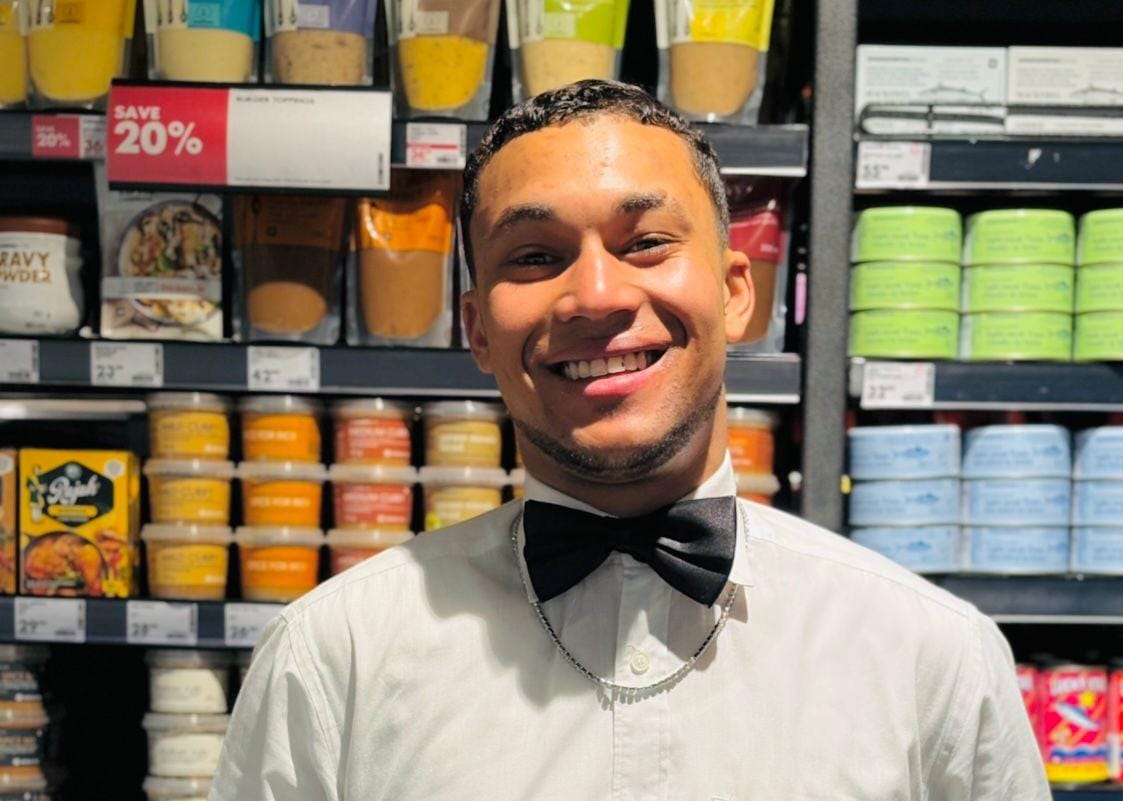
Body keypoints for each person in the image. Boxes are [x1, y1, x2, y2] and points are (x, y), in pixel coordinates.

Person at [210, 80, 1050, 801]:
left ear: (735, 293)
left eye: (645, 242)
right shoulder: (333, 659)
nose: (595, 295)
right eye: (533, 256)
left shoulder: (933, 659)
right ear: (476, 330)